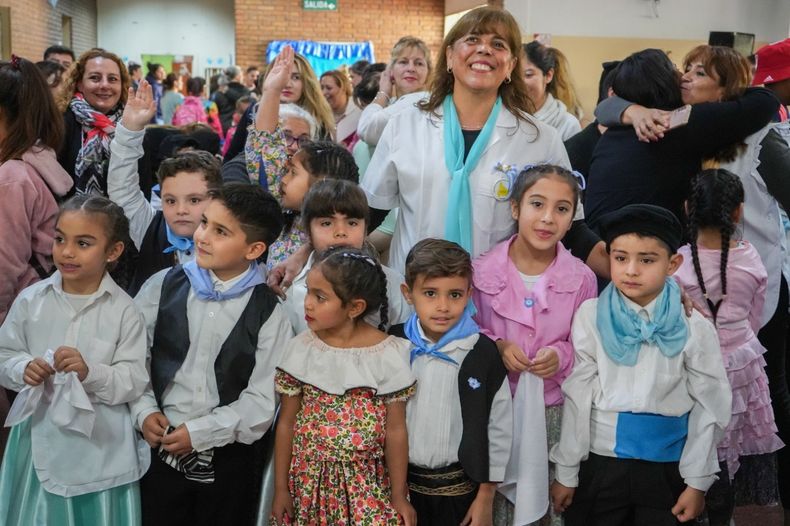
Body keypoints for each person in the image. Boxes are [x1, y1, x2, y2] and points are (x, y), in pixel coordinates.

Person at [549, 204, 732, 526]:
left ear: (673, 263)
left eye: (646, 260)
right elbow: (577, 397)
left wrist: (697, 481)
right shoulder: (590, 317)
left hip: (668, 468)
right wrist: (567, 472)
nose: (631, 270)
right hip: (601, 464)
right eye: (620, 258)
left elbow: (711, 403)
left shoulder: (694, 326)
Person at [362, 6, 570, 274]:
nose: (484, 50)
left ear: (511, 66)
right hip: (415, 297)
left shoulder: (540, 139)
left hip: (498, 301)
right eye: (472, 40)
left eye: (498, 44)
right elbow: (372, 209)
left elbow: (567, 226)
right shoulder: (406, 124)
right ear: (449, 56)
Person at [131, 183, 293, 525]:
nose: (202, 236)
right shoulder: (162, 285)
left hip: (227, 459)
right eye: (205, 223)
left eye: (220, 231)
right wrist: (143, 409)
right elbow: (133, 358)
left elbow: (262, 400)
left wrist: (203, 432)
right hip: (157, 448)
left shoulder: (270, 313)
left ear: (254, 249)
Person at [0, 194, 149, 524]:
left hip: (101, 446)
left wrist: (90, 373)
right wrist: (23, 367)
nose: (66, 252)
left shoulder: (125, 311)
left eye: (83, 243)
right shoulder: (31, 300)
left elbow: (134, 379)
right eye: (59, 239)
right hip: (38, 437)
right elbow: (4, 353)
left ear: (113, 251)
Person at [472, 165, 597, 526]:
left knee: (547, 506)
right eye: (537, 204)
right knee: (495, 507)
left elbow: (586, 348)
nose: (547, 218)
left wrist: (561, 354)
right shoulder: (480, 273)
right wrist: (495, 345)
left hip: (552, 413)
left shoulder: (582, 279)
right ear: (515, 208)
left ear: (573, 218)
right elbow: (470, 331)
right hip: (497, 411)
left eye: (562, 209)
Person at [270, 246, 416, 526]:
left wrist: (398, 495)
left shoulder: (388, 354)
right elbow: (287, 423)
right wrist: (280, 489)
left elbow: (396, 430)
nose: (308, 304)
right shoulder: (301, 349)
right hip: (308, 487)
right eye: (309, 292)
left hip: (367, 486)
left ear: (355, 308)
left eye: (320, 297)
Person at [674, 169, 783, 526]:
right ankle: (726, 514)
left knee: (701, 443)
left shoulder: (677, 263)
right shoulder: (751, 258)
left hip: (692, 370)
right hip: (742, 365)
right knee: (732, 445)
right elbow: (756, 315)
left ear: (688, 208)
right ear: (738, 212)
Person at [390, 238, 512, 526]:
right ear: (408, 293)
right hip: (400, 491)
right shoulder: (392, 346)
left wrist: (486, 495)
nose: (443, 306)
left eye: (455, 295)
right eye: (430, 293)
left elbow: (499, 427)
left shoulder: (483, 353)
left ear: (469, 293)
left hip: (461, 494)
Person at [587, 48, 778, 230]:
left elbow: (604, 107)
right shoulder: (675, 122)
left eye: (699, 73)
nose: (684, 76)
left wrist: (632, 111)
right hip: (634, 246)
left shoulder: (619, 130)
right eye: (682, 69)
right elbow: (767, 100)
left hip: (602, 242)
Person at [246, 46, 358, 270]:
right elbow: (265, 150)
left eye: (292, 172)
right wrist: (271, 92)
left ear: (322, 181)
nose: (283, 177)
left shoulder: (340, 232)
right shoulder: (281, 211)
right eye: (284, 137)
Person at [107, 79, 223, 295]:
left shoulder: (229, 242)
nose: (181, 210)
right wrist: (130, 130)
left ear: (216, 199)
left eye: (194, 200)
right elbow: (122, 189)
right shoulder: (150, 228)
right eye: (170, 200)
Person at [282, 179, 411, 333]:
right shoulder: (291, 287)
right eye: (326, 223)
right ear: (308, 232)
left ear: (365, 230)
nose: (341, 232)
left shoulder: (393, 284)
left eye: (352, 223)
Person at [0, 56, 72, 324]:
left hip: (19, 316)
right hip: (40, 307)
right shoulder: (39, 155)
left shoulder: (12, 177)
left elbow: (4, 266)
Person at [224, 51, 334, 161]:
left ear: (307, 82)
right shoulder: (254, 112)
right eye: (280, 75)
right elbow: (233, 156)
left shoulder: (319, 119)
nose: (287, 84)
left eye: (295, 77)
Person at [56, 48, 130, 196]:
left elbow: (142, 185)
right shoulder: (61, 123)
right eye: (95, 78)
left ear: (122, 86)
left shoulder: (131, 125)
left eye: (113, 79)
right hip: (71, 215)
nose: (104, 85)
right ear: (79, 84)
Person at [522, 41, 581, 140]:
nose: (520, 83)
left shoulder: (568, 125)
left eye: (528, 75)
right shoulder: (506, 118)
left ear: (548, 75)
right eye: (515, 76)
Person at [320, 69, 361, 149]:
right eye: (322, 88)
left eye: (328, 88)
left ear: (343, 88)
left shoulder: (359, 110)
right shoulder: (320, 114)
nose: (323, 93)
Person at [214, 65, 251, 135]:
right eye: (241, 74)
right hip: (240, 127)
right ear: (237, 76)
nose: (242, 77)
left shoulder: (219, 91)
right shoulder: (244, 91)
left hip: (222, 128)